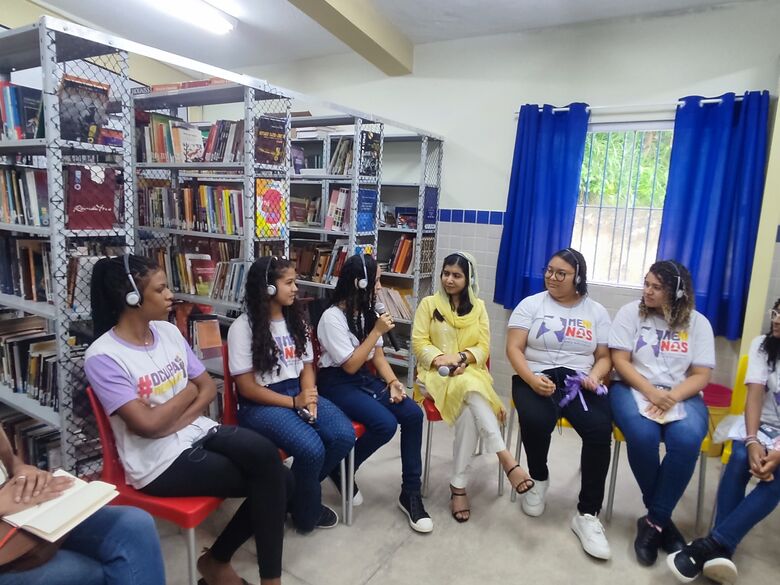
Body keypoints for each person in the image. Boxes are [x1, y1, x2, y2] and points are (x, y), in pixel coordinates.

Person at [84, 254, 289, 585]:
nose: (170, 295)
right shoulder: (103, 356)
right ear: (132, 297)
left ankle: (218, 563)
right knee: (276, 480)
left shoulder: (167, 331)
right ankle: (229, 568)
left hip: (196, 431)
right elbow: (147, 426)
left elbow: (206, 388)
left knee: (271, 463)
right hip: (157, 461)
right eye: (160, 289)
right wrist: (186, 394)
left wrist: (171, 414)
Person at [227, 256, 354, 534]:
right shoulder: (243, 328)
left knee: (344, 435)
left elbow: (307, 366)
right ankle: (305, 513)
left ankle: (290, 495)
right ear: (269, 288)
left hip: (297, 391)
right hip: (260, 404)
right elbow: (246, 388)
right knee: (311, 449)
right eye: (289, 283)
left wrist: (308, 396)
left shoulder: (296, 320)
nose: (296, 288)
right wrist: (294, 402)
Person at [505, 247, 613, 560]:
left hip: (578, 379)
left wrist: (594, 376)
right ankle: (539, 478)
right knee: (536, 419)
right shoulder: (531, 304)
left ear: (578, 277)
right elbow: (514, 348)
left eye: (561, 273)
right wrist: (530, 378)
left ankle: (588, 514)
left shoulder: (596, 312)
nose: (552, 277)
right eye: (549, 270)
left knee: (599, 428)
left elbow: (604, 357)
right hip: (535, 374)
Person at [315, 254, 434, 533]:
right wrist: (376, 331)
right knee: (385, 424)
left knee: (413, 414)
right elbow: (350, 365)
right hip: (336, 382)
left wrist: (393, 381)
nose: (380, 287)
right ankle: (342, 467)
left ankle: (410, 492)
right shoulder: (332, 318)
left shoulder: (366, 312)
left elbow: (377, 356)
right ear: (360, 283)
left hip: (362, 378)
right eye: (377, 281)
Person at [412, 251, 533, 523]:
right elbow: (419, 342)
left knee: (469, 411)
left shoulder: (478, 308)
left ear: (469, 279)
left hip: (467, 371)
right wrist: (442, 359)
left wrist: (462, 358)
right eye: (446, 273)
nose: (449, 280)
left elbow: (483, 346)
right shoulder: (429, 304)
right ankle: (505, 457)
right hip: (434, 375)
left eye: (457, 275)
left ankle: (458, 486)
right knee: (470, 387)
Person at [609, 260, 714, 567]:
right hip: (632, 386)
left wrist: (672, 396)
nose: (648, 291)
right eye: (646, 284)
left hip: (680, 390)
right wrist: (651, 392)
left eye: (657, 287)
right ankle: (664, 523)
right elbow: (620, 361)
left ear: (677, 292)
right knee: (643, 434)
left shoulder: (698, 323)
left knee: (687, 438)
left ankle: (653, 521)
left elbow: (701, 375)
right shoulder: (630, 313)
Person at [667, 299, 780, 584]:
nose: (777, 320)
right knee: (740, 457)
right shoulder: (762, 345)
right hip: (759, 425)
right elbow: (755, 396)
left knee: (777, 476)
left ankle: (713, 544)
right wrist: (752, 440)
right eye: (776, 312)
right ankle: (722, 550)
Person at [0, 426, 165, 584]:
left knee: (133, 524)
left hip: (17, 511)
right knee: (97, 571)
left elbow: (7, 459)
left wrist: (20, 468)